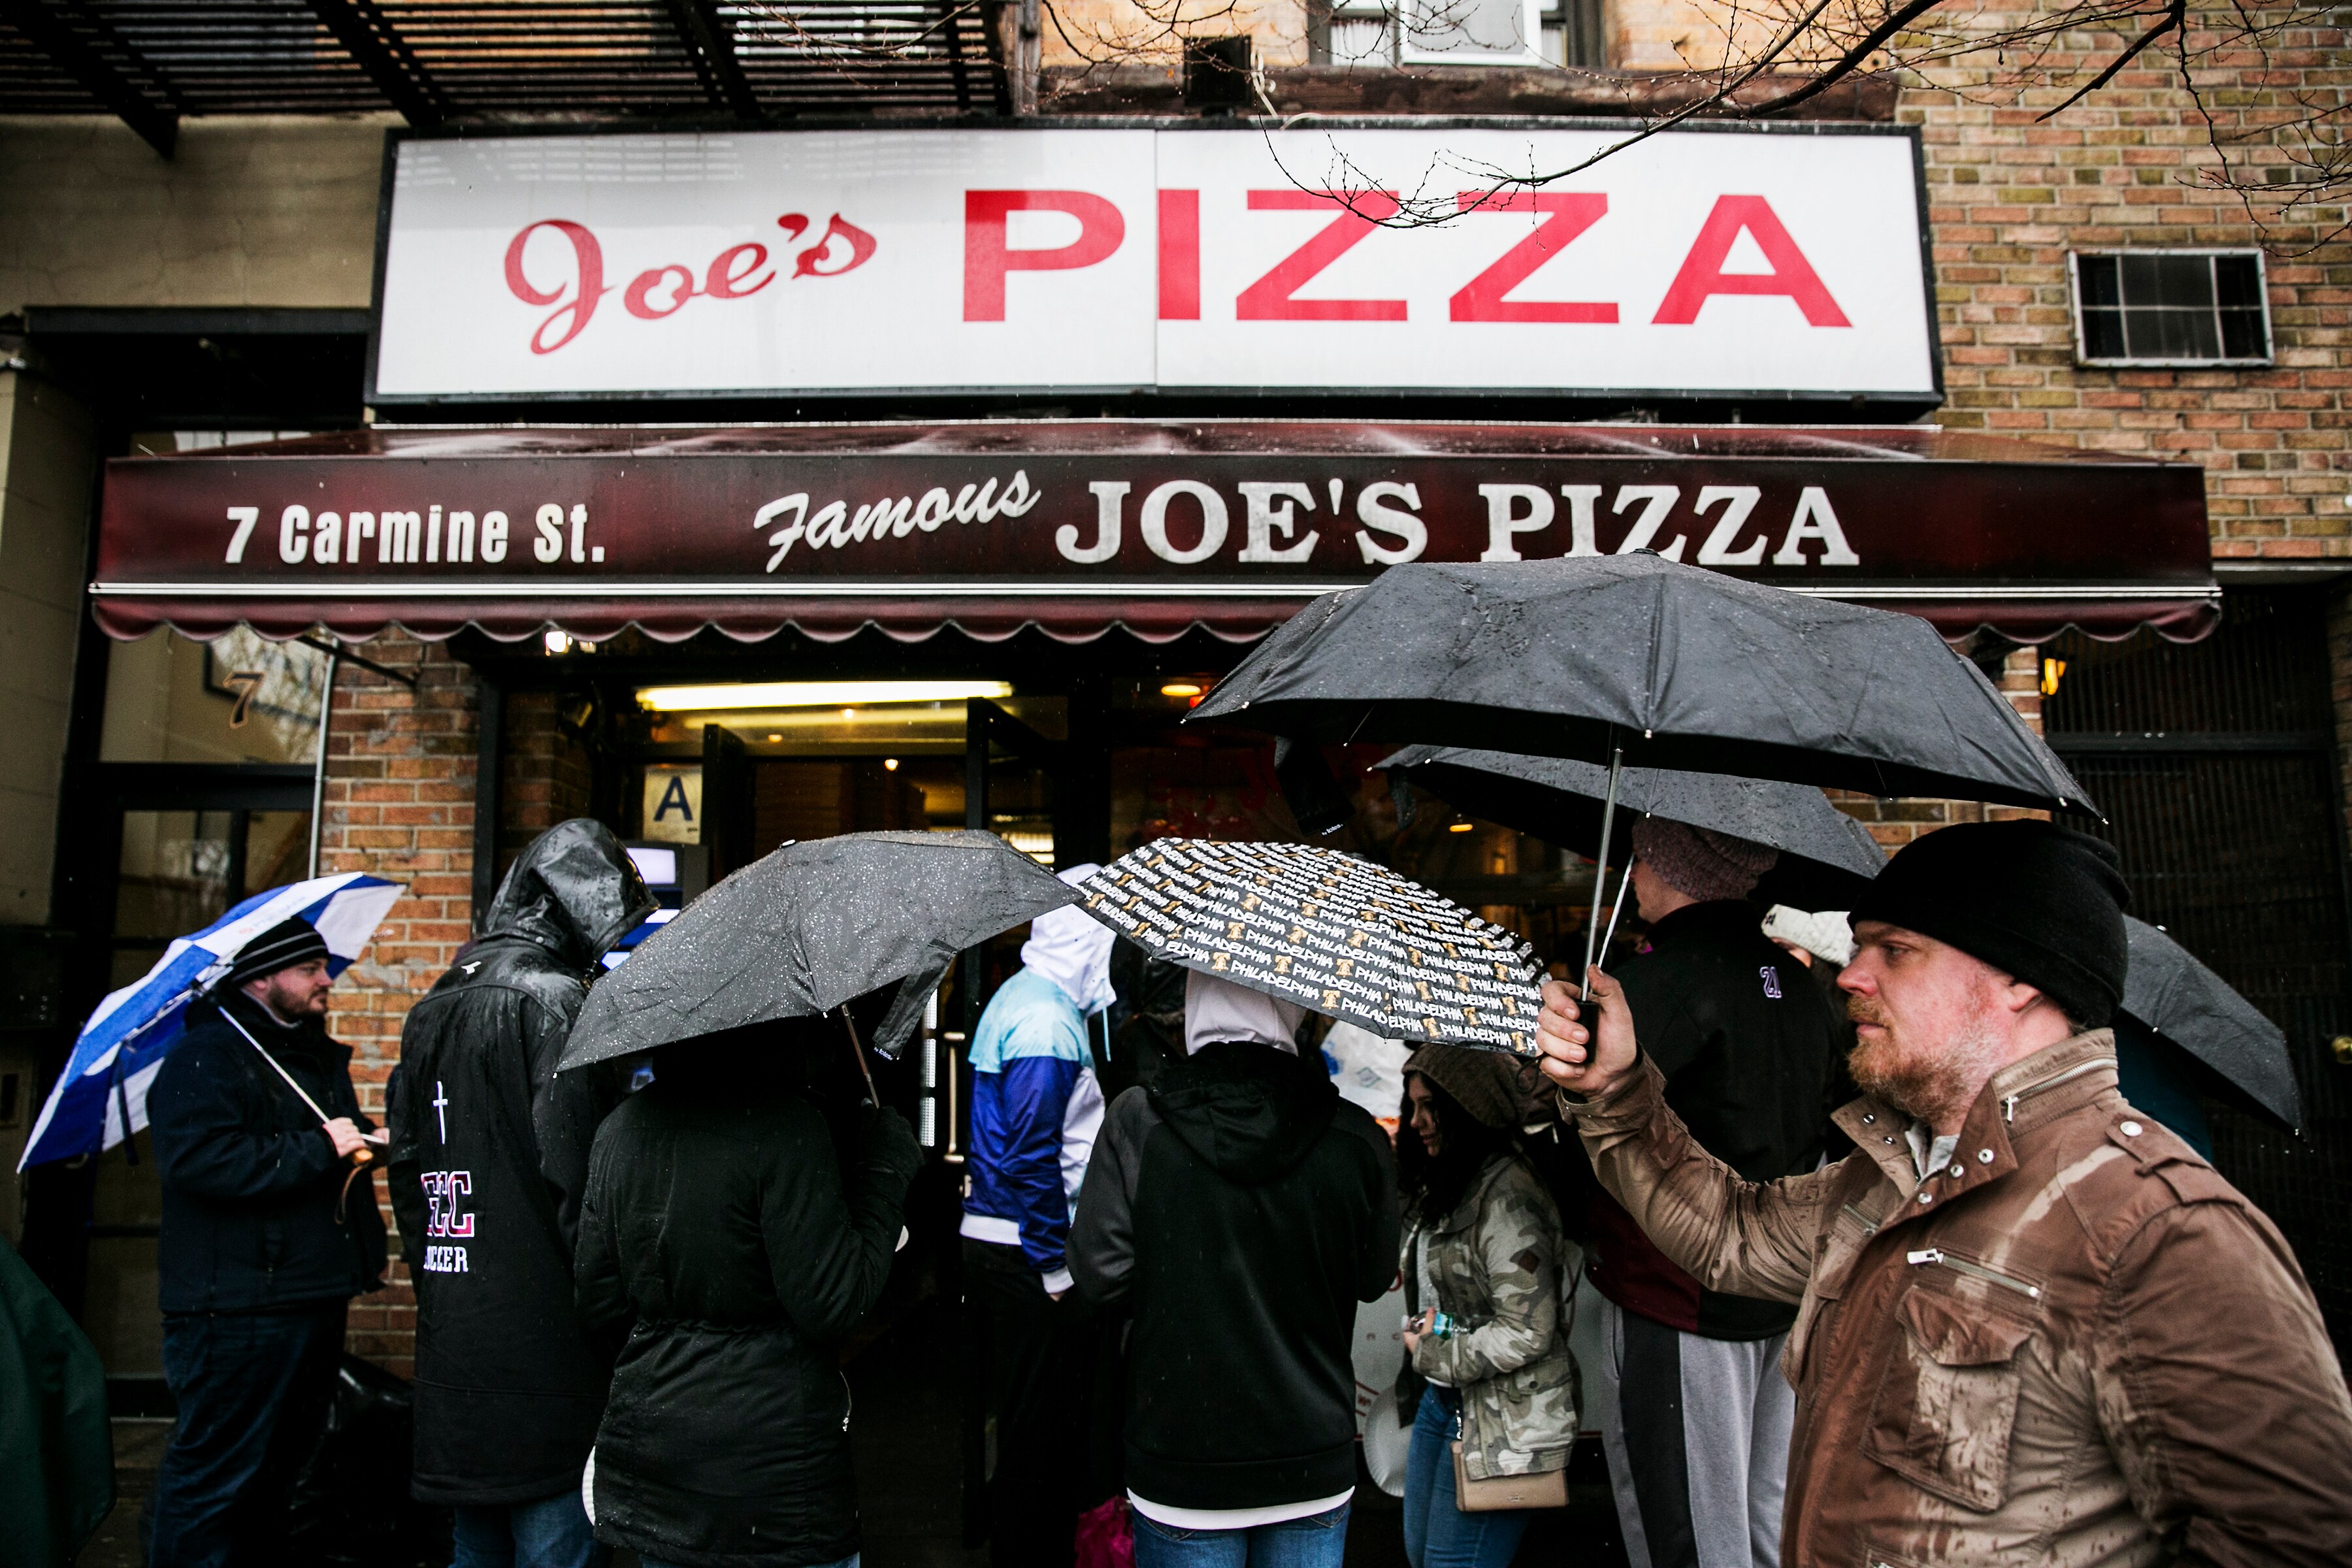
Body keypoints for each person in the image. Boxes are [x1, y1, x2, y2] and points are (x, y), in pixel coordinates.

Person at [1536, 819, 2352, 1567]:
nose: (1851, 976)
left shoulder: (2155, 1231)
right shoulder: (1893, 1175)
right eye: (1860, 947)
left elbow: (2290, 1540)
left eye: (1896, 950)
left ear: (2020, 981)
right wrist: (1616, 1091)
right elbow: (1731, 1235)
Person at [387, 819, 654, 1568]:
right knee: (554, 1544)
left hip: (457, 1334)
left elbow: (407, 1173)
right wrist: (615, 1315)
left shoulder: (430, 1008)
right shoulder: (558, 1003)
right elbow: (583, 1189)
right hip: (548, 1346)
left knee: (475, 1544)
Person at [1578, 817, 1843, 1568]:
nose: (1634, 873)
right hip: (1787, 1291)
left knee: (1692, 1533)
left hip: (1679, 1290)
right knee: (1770, 1526)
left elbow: (1596, 1131)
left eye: (1642, 857)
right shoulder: (1796, 979)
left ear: (1672, 868)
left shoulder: (1650, 983)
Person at [1070, 970, 1399, 1568]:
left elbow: (1100, 1274)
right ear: (1292, 1009)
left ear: (1196, 1001)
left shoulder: (1139, 1123)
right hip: (1310, 1454)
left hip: (1182, 1457)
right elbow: (1375, 1277)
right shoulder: (1357, 1137)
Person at [575, 1032, 923, 1568]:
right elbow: (834, 1303)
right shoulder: (787, 1129)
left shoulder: (618, 1132)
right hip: (777, 1480)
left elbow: (600, 1303)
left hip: (662, 1464)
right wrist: (884, 1170)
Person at [144, 918, 387, 1568]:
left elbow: (323, 1142)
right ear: (262, 978)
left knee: (277, 1474)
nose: (325, 980)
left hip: (304, 1293)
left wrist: (368, 1145)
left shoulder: (298, 1054)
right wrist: (320, 1148)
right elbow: (198, 1161)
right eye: (309, 969)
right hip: (237, 1311)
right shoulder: (208, 1056)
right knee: (216, 1479)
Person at [960, 865, 1117, 1567]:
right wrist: (1055, 1266)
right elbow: (1032, 1157)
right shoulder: (1048, 1021)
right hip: (1025, 1252)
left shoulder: (1023, 999)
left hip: (1001, 1242)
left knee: (1031, 1422)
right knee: (1038, 1431)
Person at [1395, 1047, 1577, 1568]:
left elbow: (1527, 1331)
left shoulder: (1509, 1197)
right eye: (1412, 1106)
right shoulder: (1463, 1179)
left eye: (1430, 1106)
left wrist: (1433, 1352)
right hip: (1449, 1405)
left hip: (1505, 1424)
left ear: (1467, 1106)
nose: (1417, 1122)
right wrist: (1442, 1325)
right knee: (1419, 1553)